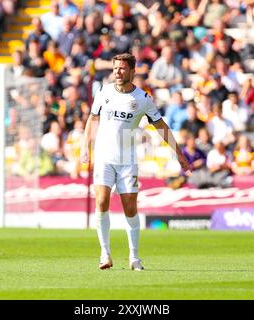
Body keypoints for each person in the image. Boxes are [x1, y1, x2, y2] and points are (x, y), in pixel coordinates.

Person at [80, 53, 191, 271]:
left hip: (126, 160)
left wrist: (178, 152)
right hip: (104, 157)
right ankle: (105, 254)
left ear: (132, 71)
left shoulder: (142, 98)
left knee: (129, 208)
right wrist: (85, 147)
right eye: (115, 69)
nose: (117, 72)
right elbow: (93, 119)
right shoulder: (104, 93)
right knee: (101, 203)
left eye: (122, 69)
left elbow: (160, 126)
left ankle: (134, 257)